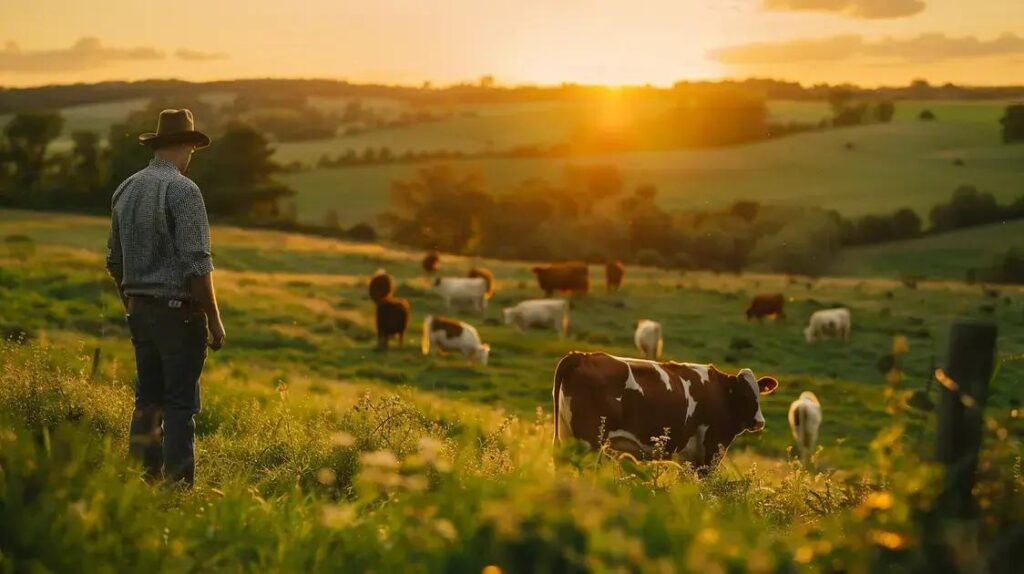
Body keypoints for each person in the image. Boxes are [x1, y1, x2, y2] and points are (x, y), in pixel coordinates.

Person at [105, 109, 226, 487]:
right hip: (179, 315)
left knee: (147, 401)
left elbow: (114, 262)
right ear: (187, 147)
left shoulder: (126, 188)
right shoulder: (184, 190)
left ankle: (141, 483)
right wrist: (215, 319)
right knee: (178, 406)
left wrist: (131, 304)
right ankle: (176, 491)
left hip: (139, 311)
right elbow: (197, 264)